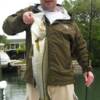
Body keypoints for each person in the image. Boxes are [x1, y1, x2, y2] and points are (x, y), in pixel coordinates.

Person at [2, 0, 94, 100]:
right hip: (35, 83)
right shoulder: (31, 12)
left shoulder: (68, 20)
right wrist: (21, 19)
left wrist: (87, 69)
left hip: (63, 82)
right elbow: (7, 28)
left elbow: (80, 47)